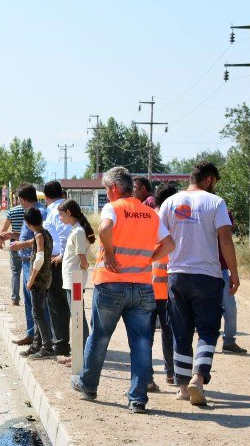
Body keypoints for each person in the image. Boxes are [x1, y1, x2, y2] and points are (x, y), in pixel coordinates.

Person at [71, 167, 174, 414]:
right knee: (140, 343)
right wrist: (149, 259)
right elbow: (169, 244)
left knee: (99, 337)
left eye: (107, 189)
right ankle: (137, 399)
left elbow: (105, 229)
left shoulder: (113, 208)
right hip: (142, 286)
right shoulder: (150, 213)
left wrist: (112, 253)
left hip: (111, 283)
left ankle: (88, 385)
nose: (107, 194)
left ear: (115, 188)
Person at [159, 160, 238, 407]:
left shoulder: (170, 203)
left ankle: (183, 387)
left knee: (181, 331)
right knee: (207, 330)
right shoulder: (216, 203)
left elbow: (160, 239)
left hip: (177, 275)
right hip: (207, 276)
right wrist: (234, 273)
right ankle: (198, 377)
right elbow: (225, 240)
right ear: (209, 179)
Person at [1, 185, 50, 345]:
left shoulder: (39, 212)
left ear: (22, 199)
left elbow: (40, 237)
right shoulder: (32, 212)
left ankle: (42, 339)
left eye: (18, 200)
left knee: (37, 302)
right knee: (30, 301)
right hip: (27, 260)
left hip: (34, 261)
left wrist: (21, 245)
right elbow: (31, 235)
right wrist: (13, 235)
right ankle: (32, 334)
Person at [56, 199, 94, 364]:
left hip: (76, 281)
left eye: (61, 214)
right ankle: (79, 354)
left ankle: (83, 355)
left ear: (69, 213)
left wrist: (84, 268)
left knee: (78, 317)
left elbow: (83, 259)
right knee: (77, 316)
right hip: (72, 280)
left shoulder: (78, 231)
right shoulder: (75, 230)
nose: (60, 218)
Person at [151, 185, 178, 386]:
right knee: (170, 332)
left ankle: (147, 377)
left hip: (146, 283)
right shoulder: (177, 219)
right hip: (169, 286)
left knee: (145, 333)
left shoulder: (150, 218)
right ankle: (171, 373)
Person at [42, 181, 72, 356]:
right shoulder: (65, 206)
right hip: (65, 260)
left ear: (46, 197)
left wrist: (61, 255)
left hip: (58, 262)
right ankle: (66, 342)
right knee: (68, 304)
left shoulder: (56, 210)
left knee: (58, 305)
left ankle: (61, 345)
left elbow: (63, 235)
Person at [21, 207, 55, 359]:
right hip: (45, 278)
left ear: (28, 224)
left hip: (39, 280)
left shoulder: (40, 236)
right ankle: (36, 345)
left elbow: (39, 259)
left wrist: (31, 278)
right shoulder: (45, 233)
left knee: (38, 314)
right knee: (38, 313)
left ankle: (47, 347)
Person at [219, 208, 246, 354]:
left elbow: (227, 241)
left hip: (221, 269)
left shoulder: (224, 212)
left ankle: (229, 342)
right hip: (205, 269)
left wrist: (233, 272)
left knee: (229, 308)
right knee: (228, 308)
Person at [0, 199, 26, 305]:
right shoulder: (30, 210)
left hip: (14, 243)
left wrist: (1, 241)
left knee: (15, 272)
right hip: (28, 243)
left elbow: (5, 228)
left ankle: (15, 299)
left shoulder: (12, 211)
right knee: (29, 271)